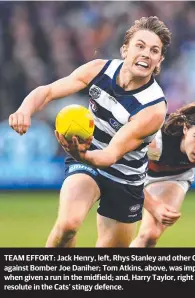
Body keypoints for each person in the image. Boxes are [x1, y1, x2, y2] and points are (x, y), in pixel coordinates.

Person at [9, 16, 171, 247]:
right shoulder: (99, 69)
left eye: (154, 51)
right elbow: (47, 91)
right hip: (87, 160)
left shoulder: (153, 109)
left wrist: (79, 153)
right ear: (125, 49)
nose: (146, 53)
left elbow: (110, 156)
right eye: (140, 46)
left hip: (125, 178)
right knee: (68, 225)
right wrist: (25, 110)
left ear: (159, 61)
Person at [130, 99, 195, 247]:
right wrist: (154, 206)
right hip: (133, 174)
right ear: (185, 129)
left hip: (173, 177)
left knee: (149, 235)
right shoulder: (155, 142)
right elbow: (124, 174)